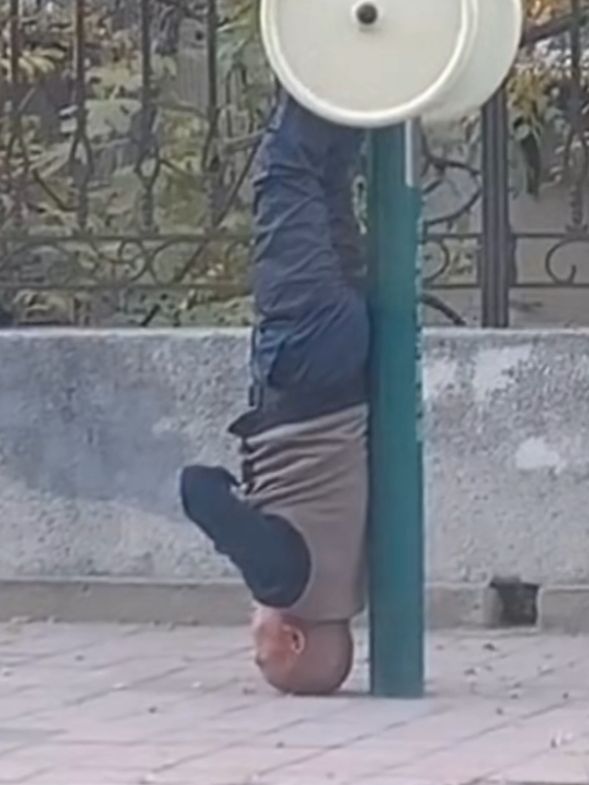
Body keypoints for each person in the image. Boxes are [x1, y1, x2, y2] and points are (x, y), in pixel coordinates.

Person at [180, 91, 369, 696]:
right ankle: (320, 69)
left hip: (344, 369)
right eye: (262, 655)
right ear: (293, 640)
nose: (251, 642)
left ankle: (365, 82)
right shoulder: (285, 583)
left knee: (326, 183)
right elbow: (198, 490)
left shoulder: (349, 589)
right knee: (285, 175)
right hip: (302, 364)